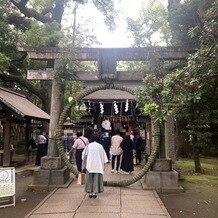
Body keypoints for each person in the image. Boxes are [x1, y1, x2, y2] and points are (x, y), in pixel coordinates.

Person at [82, 134, 108, 198]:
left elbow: (83, 155)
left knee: (89, 178)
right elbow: (104, 156)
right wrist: (103, 164)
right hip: (98, 165)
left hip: (89, 164)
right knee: (96, 178)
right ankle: (94, 192)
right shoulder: (100, 146)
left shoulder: (88, 146)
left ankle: (90, 192)